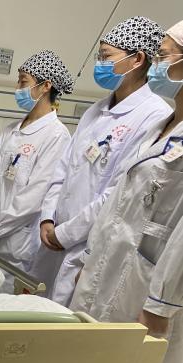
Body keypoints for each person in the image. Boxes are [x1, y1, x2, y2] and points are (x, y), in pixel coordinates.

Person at [69, 21, 183, 363]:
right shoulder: (160, 124)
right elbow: (118, 203)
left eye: (164, 55)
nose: (156, 64)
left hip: (153, 299)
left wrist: (160, 306)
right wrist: (88, 258)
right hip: (111, 274)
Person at [30, 17, 172, 306]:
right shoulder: (95, 110)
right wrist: (47, 218)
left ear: (137, 59)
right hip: (53, 235)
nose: (100, 64)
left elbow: (118, 193)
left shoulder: (153, 115)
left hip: (88, 245)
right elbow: (63, 168)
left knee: (66, 323)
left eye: (106, 56)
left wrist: (65, 234)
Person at [0, 50, 73, 292]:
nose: (18, 88)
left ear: (46, 86)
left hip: (15, 244)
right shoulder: (10, 130)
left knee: (2, 303)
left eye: (23, 82)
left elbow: (36, 195)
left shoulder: (56, 135)